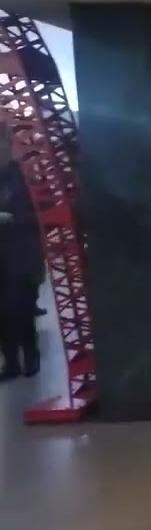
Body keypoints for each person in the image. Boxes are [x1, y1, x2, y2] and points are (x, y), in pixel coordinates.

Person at [0, 159, 42, 381]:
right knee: (2, 314)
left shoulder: (26, 178)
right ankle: (11, 362)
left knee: (22, 309)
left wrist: (12, 220)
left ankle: (30, 355)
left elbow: (41, 216)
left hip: (21, 254)